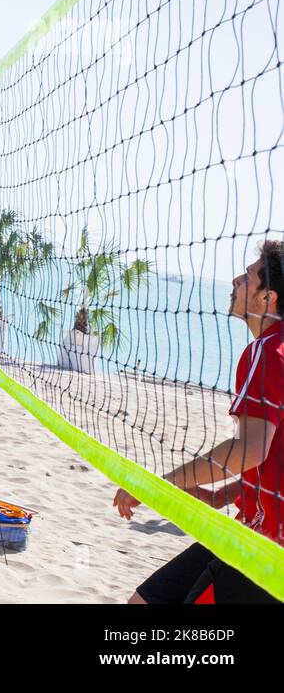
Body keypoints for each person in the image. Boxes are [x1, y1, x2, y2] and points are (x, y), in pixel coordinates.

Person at [118, 241, 283, 605]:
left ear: (267, 297)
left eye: (249, 276)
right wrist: (223, 494)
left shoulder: (266, 353)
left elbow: (250, 450)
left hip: (267, 552)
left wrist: (158, 488)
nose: (237, 279)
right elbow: (274, 454)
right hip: (247, 532)